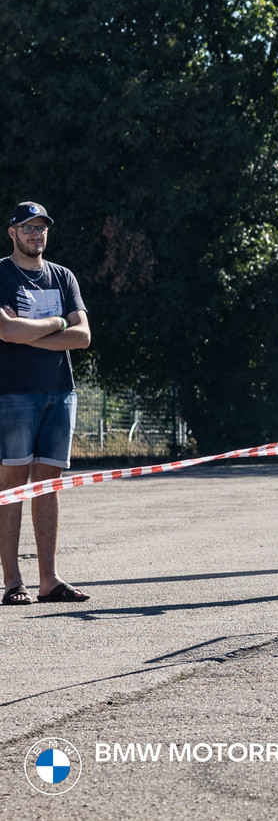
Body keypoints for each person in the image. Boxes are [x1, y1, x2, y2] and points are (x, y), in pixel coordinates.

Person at [0, 202, 92, 605]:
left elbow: (84, 335)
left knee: (48, 486)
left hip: (61, 390)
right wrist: (57, 324)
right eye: (29, 227)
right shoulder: (1, 273)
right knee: (11, 486)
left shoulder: (63, 276)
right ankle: (13, 583)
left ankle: (49, 581)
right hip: (14, 393)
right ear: (13, 233)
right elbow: (5, 330)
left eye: (42, 228)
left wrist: (29, 333)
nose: (36, 234)